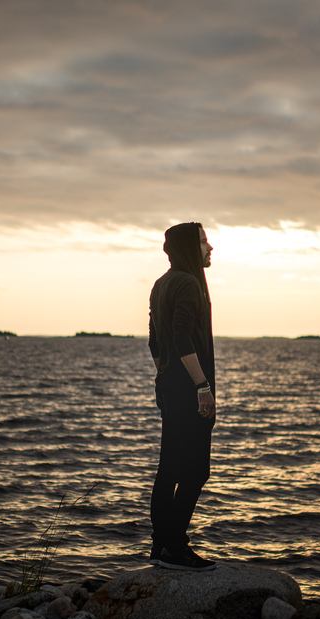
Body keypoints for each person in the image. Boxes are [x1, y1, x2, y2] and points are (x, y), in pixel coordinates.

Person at [147, 221, 217, 571]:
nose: (211, 248)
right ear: (191, 246)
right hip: (189, 390)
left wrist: (165, 374)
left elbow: (155, 343)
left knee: (169, 469)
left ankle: (162, 547)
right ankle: (174, 545)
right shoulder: (189, 283)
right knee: (195, 470)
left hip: (170, 386)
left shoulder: (161, 284)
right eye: (204, 242)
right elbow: (180, 338)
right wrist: (201, 386)